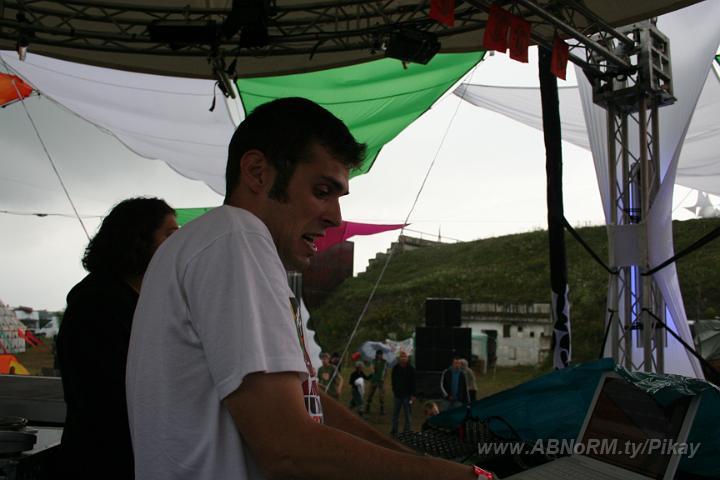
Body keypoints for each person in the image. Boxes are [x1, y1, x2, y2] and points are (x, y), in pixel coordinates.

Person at [126, 97, 484, 479]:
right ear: (257, 173)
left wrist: (409, 457)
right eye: (322, 191)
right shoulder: (236, 236)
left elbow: (309, 406)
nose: (336, 218)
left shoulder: (210, 244)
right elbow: (287, 448)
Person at [56, 197, 177, 479]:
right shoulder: (95, 303)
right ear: (138, 239)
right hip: (102, 458)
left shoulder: (146, 299)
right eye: (170, 235)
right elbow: (112, 393)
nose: (178, 245)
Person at [391, 351, 416, 436]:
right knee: (395, 414)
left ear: (407, 358)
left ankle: (407, 431)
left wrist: (413, 394)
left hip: (407, 396)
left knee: (407, 414)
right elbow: (393, 380)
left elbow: (414, 383)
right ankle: (394, 430)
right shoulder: (395, 368)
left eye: (405, 357)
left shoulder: (411, 369)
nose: (403, 358)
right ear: (399, 358)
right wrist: (394, 389)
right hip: (397, 395)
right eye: (402, 357)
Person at [365, 349, 388, 414]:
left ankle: (382, 410)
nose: (380, 355)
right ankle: (367, 408)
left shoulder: (385, 362)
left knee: (381, 395)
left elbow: (386, 371)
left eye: (381, 354)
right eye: (379, 354)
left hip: (381, 381)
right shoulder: (373, 361)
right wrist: (373, 369)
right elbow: (372, 368)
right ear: (377, 355)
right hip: (374, 380)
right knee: (370, 394)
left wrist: (384, 379)